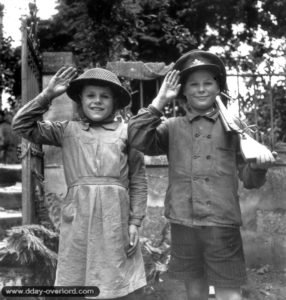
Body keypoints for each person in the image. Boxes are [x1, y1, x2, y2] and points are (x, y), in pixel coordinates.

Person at [128, 50, 276, 300]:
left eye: (208, 83)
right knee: (194, 290)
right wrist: (160, 101)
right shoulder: (171, 127)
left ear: (218, 87)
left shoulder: (234, 127)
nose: (201, 89)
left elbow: (250, 180)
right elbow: (137, 137)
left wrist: (259, 166)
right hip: (183, 222)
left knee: (229, 292)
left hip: (221, 223)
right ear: (183, 90)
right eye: (193, 84)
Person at [12, 66, 147, 299]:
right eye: (90, 96)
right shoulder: (66, 130)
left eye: (104, 96)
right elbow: (21, 125)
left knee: (116, 280)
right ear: (81, 101)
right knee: (78, 280)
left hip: (116, 218)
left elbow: (138, 181)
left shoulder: (127, 132)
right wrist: (49, 94)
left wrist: (135, 222)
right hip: (79, 219)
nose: (97, 101)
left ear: (114, 102)